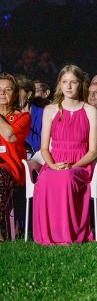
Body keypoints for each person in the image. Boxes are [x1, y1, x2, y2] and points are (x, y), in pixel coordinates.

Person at [32, 64, 97, 245]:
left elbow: (93, 151)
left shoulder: (90, 111)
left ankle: (67, 234)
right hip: (55, 162)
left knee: (67, 177)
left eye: (73, 82)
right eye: (65, 82)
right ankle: (50, 234)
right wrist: (53, 165)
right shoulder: (50, 110)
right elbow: (44, 148)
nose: (69, 86)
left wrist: (74, 165)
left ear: (80, 84)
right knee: (45, 180)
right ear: (59, 84)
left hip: (80, 165)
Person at [0, 73, 31, 242]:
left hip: (10, 169)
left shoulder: (22, 117)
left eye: (7, 89)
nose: (2, 93)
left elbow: (10, 135)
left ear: (16, 93)